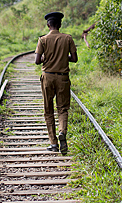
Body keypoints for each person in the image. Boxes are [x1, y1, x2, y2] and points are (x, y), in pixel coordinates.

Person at [35, 11, 78, 154]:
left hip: (47, 77)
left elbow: (37, 61)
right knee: (62, 109)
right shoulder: (68, 38)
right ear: (60, 24)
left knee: (48, 110)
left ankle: (53, 143)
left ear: (48, 25)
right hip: (63, 78)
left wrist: (47, 59)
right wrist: (63, 58)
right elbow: (74, 58)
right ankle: (62, 132)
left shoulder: (42, 40)